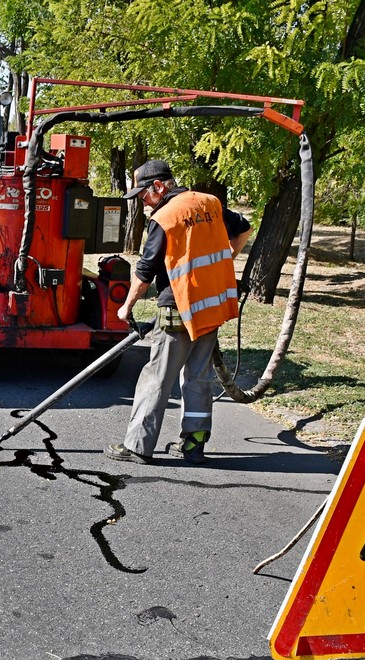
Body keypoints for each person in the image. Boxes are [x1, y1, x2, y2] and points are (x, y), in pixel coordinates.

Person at [105, 160, 252, 465]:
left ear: (159, 187)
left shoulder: (165, 217)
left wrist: (126, 307)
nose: (143, 203)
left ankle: (137, 446)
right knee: (198, 376)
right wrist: (225, 261)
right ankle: (194, 445)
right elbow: (244, 230)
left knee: (157, 377)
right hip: (211, 305)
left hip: (177, 308)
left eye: (143, 195)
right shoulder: (210, 203)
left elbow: (144, 272)